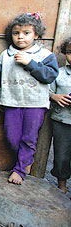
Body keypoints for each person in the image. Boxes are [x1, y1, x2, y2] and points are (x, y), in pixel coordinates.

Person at [0, 12, 59, 185]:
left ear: (36, 35)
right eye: (16, 33)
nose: (20, 37)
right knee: (12, 138)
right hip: (11, 102)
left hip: (35, 104)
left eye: (26, 33)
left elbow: (50, 76)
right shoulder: (5, 56)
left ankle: (19, 170)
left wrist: (31, 63)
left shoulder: (44, 55)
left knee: (29, 137)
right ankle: (26, 160)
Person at [49, 37, 71, 193]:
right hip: (62, 120)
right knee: (61, 155)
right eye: (70, 52)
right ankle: (62, 186)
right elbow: (48, 90)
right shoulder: (59, 73)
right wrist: (54, 96)